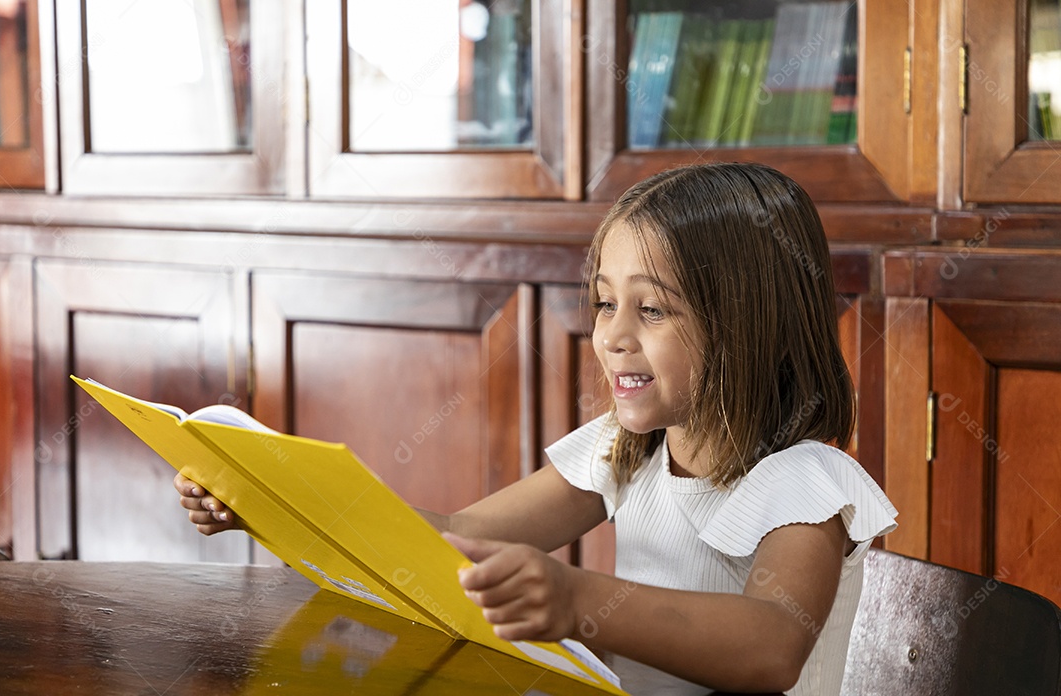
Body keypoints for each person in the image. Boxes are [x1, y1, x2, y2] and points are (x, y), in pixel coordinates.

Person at [175, 162, 897, 695]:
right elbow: (457, 534)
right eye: (604, 303)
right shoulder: (625, 451)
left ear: (748, 327)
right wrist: (273, 504)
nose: (611, 336)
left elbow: (771, 646)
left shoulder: (803, 483)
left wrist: (579, 600)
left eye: (652, 310)